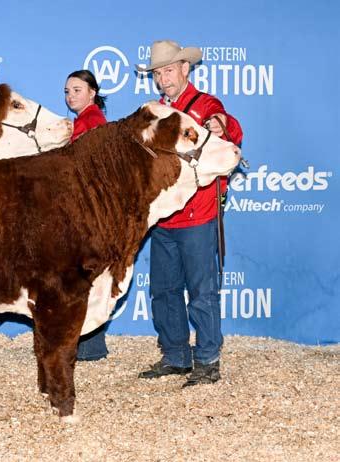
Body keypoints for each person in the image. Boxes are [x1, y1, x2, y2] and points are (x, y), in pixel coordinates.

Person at [136, 40, 243, 387]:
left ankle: (208, 360)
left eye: (169, 70)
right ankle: (176, 356)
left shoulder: (204, 105)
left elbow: (229, 127)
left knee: (201, 291)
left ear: (185, 68)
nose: (163, 78)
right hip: (164, 216)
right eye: (157, 73)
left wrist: (220, 124)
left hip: (198, 214)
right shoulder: (156, 112)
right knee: (163, 290)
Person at [64, 69, 110, 361]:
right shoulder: (85, 120)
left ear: (92, 93)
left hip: (88, 209)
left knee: (86, 276)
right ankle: (89, 344)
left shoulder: (91, 122)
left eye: (77, 90)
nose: (70, 96)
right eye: (67, 92)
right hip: (87, 207)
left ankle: (91, 346)